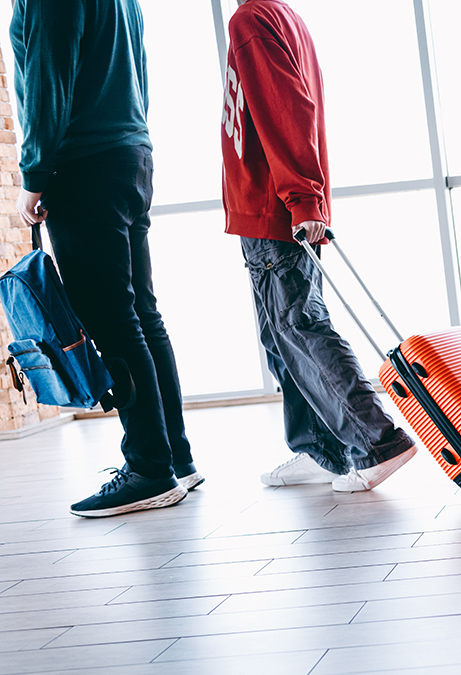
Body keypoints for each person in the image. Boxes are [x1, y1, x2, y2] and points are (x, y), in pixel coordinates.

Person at [10, 0, 201, 517]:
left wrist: (36, 175)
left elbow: (49, 77)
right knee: (140, 312)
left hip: (85, 163)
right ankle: (174, 458)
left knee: (111, 319)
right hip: (129, 155)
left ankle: (148, 469)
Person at [222, 0, 416, 492]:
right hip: (270, 206)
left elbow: (288, 109)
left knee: (299, 326)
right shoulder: (277, 14)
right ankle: (322, 448)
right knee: (280, 336)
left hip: (276, 208)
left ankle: (378, 441)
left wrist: (304, 201)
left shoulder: (253, 19)